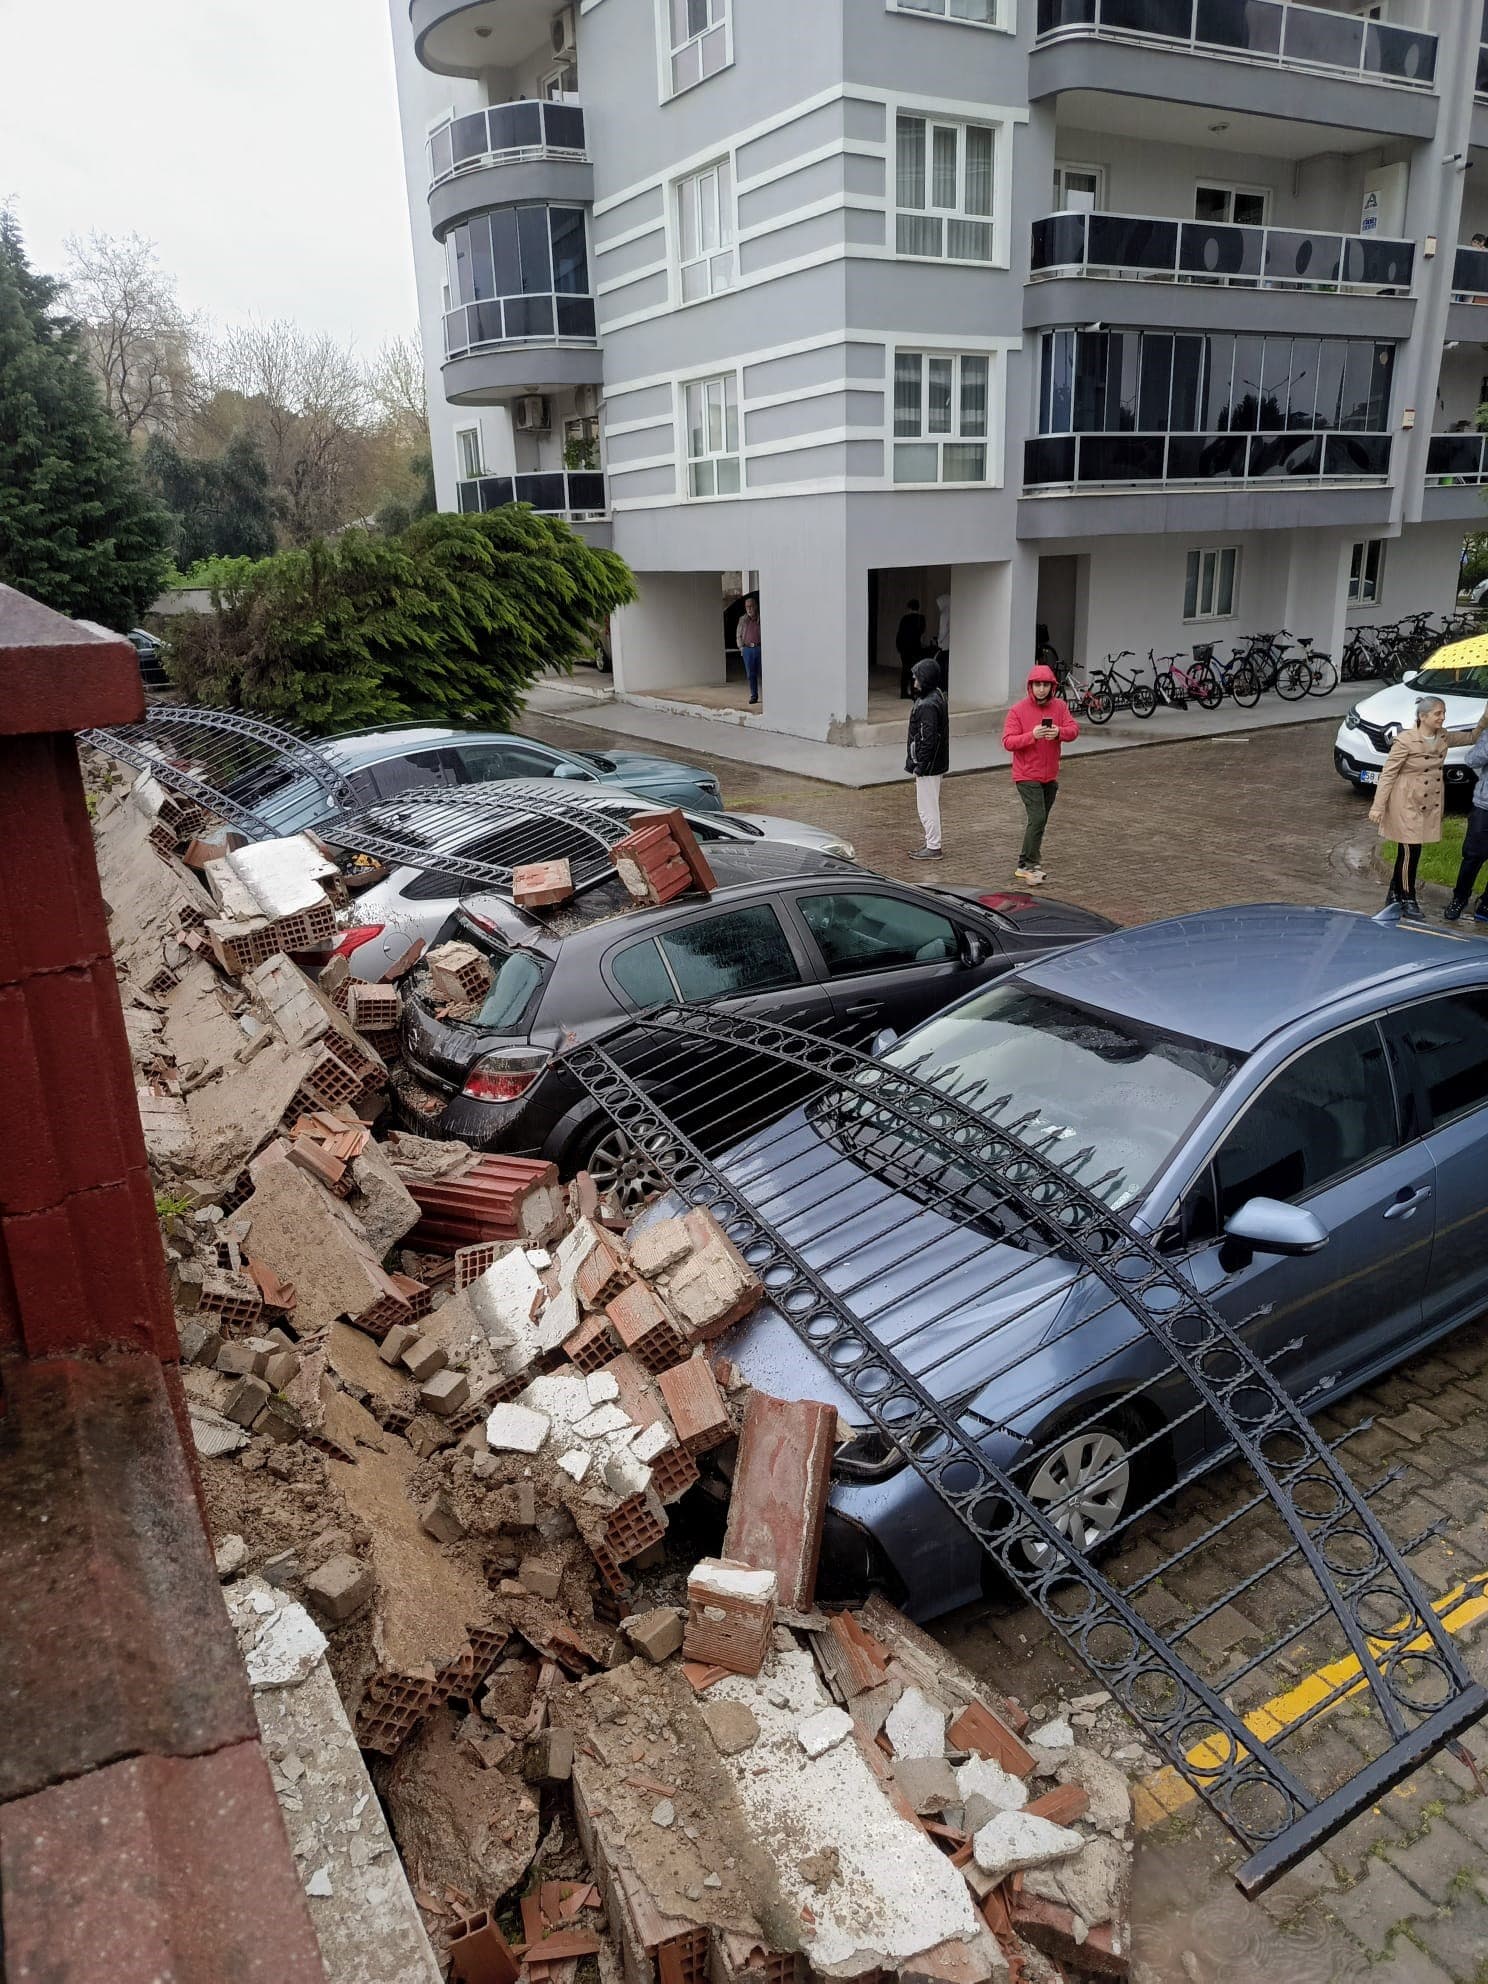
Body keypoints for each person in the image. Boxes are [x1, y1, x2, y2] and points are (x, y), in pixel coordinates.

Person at [1370, 695, 1488, 919]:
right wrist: (1378, 806)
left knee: (1413, 850)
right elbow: (1388, 774)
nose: (1442, 718)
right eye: (1438, 714)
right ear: (1422, 716)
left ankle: (1393, 894)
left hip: (1426, 803)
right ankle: (1407, 897)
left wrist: (1484, 718)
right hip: (1405, 802)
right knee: (1409, 851)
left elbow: (1472, 737)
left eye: (1443, 713)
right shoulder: (1406, 741)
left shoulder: (1442, 736)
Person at [1002, 661, 1079, 885]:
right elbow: (1008, 741)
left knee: (1040, 820)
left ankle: (1030, 862)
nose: (1042, 689)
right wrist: (1032, 735)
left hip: (1049, 775)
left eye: (1046, 684)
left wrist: (1059, 732)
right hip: (1026, 775)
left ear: (1052, 686)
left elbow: (1074, 730)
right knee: (1037, 818)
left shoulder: (1060, 708)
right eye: (1037, 684)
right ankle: (1026, 865)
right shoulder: (1018, 710)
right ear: (1031, 686)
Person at [905, 655, 949, 860]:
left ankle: (933, 845)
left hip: (929, 766)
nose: (915, 683)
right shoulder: (937, 697)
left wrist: (920, 765)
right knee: (930, 804)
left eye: (917, 679)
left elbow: (927, 738)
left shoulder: (927, 705)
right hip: (935, 763)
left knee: (926, 807)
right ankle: (932, 842)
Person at [1444, 721, 1488, 922]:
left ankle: (1486, 903)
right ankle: (1459, 899)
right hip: (1484, 806)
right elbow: (1471, 760)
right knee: (1473, 855)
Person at [895, 597, 927, 699]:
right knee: (915, 670)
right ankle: (914, 691)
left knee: (905, 669)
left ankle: (903, 692)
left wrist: (899, 647)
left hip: (904, 648)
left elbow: (900, 634)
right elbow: (922, 631)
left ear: (909, 608)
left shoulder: (905, 619)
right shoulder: (921, 619)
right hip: (916, 648)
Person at [737, 594, 762, 706]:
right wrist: (741, 647)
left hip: (759, 648)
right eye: (747, 607)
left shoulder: (761, 618)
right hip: (747, 649)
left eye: (751, 606)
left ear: (756, 606)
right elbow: (738, 635)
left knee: (763, 673)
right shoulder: (743, 619)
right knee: (750, 675)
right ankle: (754, 695)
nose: (749, 609)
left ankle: (769, 696)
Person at [934, 591, 951, 695]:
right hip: (950, 645)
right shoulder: (953, 610)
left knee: (941, 667)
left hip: (943, 645)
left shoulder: (945, 612)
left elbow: (943, 630)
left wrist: (939, 640)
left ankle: (941, 687)